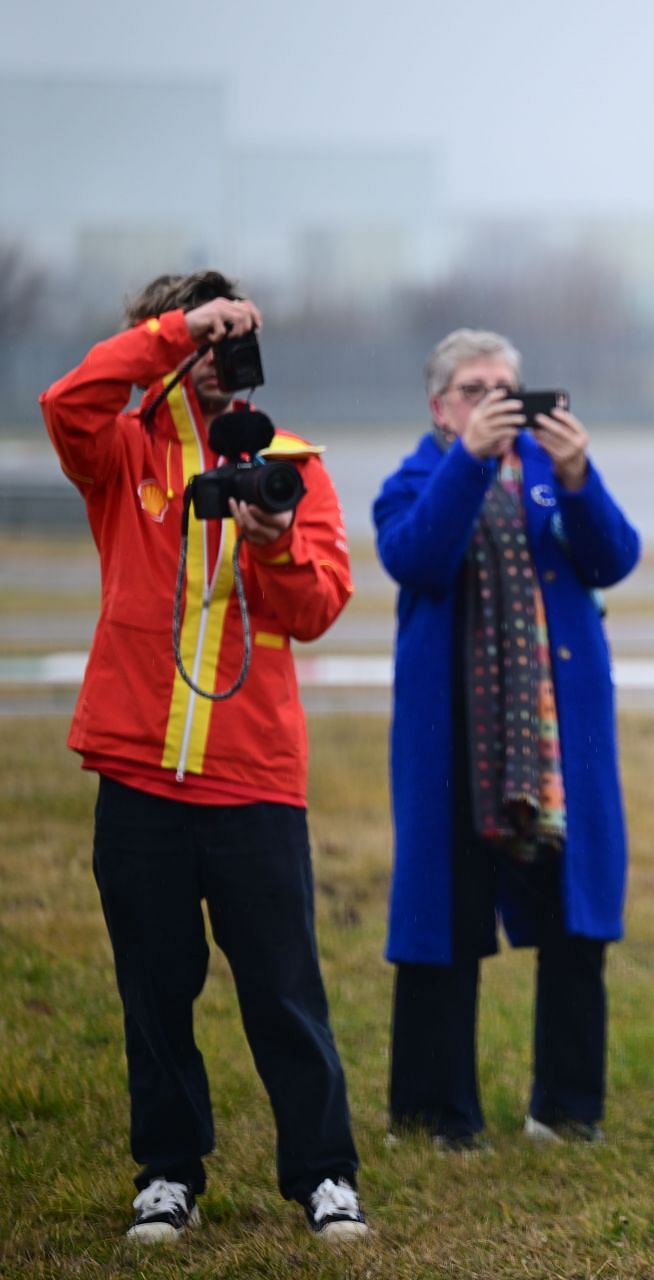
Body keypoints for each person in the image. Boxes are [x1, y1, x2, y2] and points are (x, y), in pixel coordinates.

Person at [38, 272, 369, 1242]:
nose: (222, 361)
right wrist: (174, 331)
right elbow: (66, 401)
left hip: (253, 772)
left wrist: (272, 545)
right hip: (137, 769)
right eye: (208, 342)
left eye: (236, 340)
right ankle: (168, 1172)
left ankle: (324, 1175)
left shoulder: (291, 460)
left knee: (283, 985)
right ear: (169, 342)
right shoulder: (122, 447)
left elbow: (318, 608)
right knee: (154, 983)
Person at [374, 329, 640, 1149]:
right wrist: (471, 461)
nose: (492, 401)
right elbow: (415, 557)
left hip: (559, 741)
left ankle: (566, 1109)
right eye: (471, 389)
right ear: (438, 406)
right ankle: (432, 1113)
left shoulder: (552, 481)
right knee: (443, 920)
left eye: (505, 388)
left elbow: (615, 559)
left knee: (574, 922)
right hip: (455, 736)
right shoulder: (415, 477)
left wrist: (578, 476)